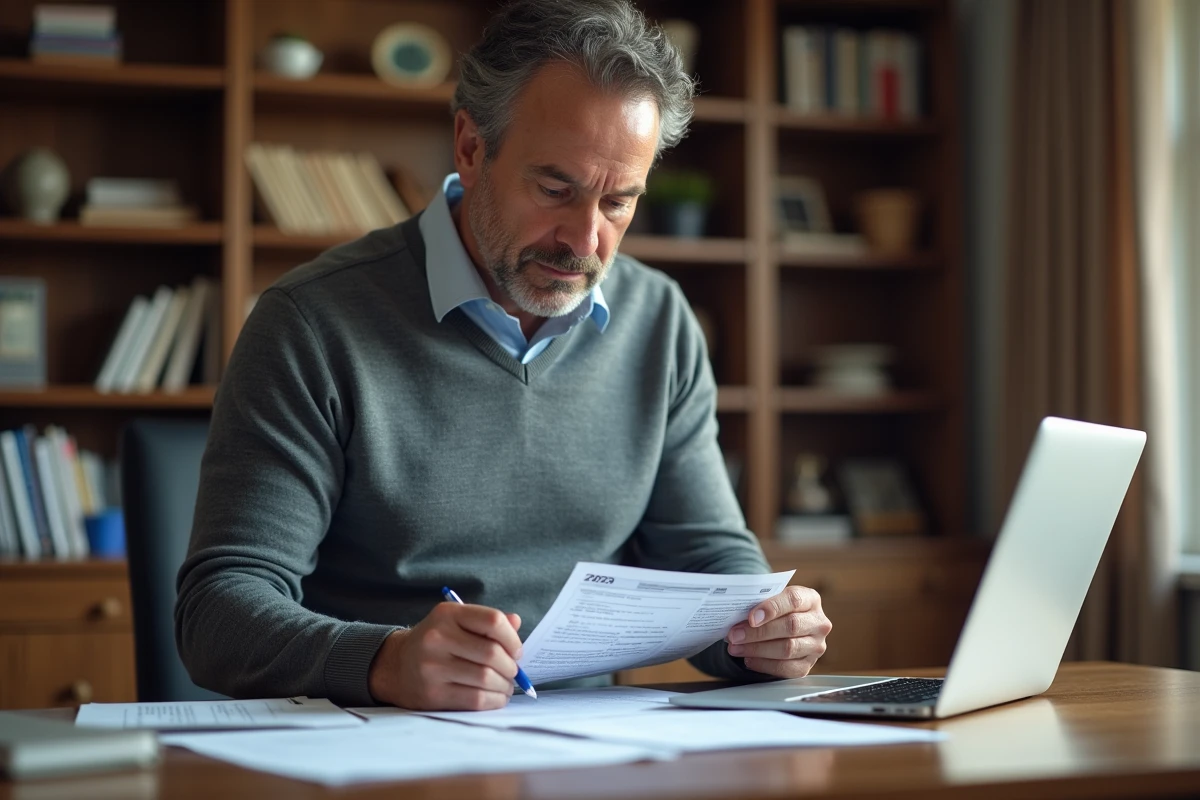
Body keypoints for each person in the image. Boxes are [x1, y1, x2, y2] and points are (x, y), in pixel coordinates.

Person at [175, 0, 831, 712]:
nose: (584, 242)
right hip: (376, 739)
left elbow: (709, 560)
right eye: (556, 189)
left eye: (619, 203)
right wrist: (383, 661)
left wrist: (763, 629)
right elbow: (217, 613)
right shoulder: (313, 321)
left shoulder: (660, 321)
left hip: (592, 750)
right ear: (469, 145)